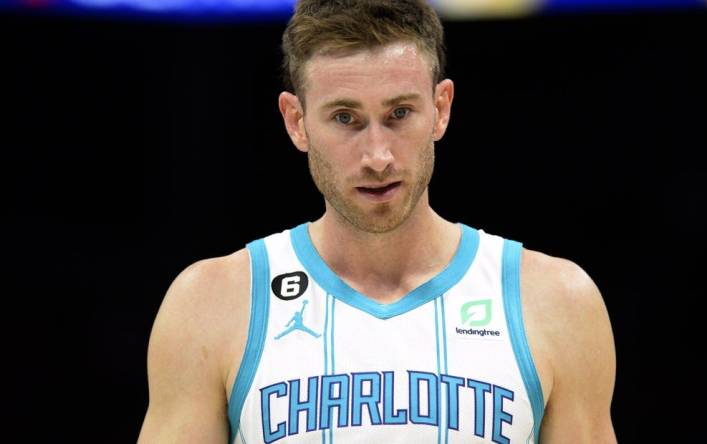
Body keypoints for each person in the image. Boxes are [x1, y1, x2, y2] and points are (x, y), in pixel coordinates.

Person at [138, 1, 617, 443]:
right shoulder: (210, 305)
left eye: (399, 113)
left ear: (441, 108)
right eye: (345, 118)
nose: (378, 156)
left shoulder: (556, 302)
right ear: (296, 121)